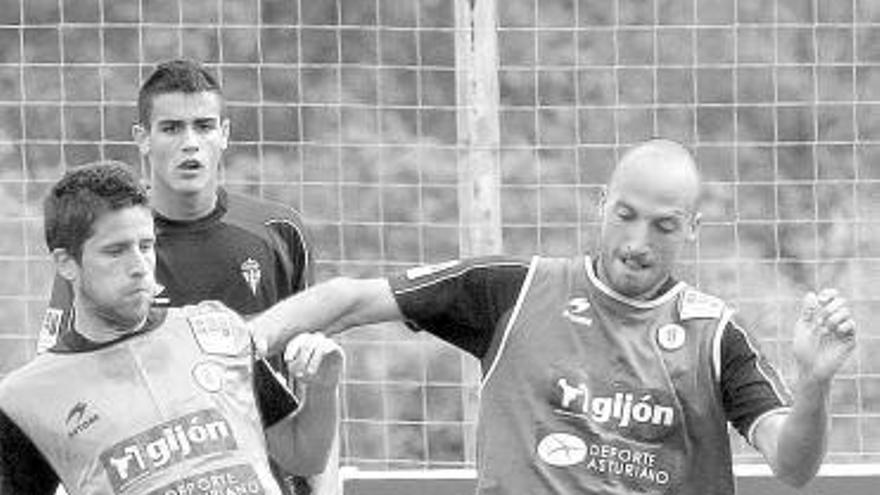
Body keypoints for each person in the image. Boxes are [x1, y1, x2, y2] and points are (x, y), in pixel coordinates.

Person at [250, 138, 857, 494]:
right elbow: (351, 299)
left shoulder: (714, 332)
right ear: (602, 205)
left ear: (693, 229)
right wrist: (244, 339)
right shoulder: (514, 291)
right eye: (625, 214)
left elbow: (793, 465)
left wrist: (815, 384)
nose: (637, 240)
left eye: (663, 225)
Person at [38, 59, 337, 494]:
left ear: (225, 135)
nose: (190, 143)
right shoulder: (104, 244)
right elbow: (57, 388)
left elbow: (318, 373)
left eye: (204, 126)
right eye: (172, 128)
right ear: (142, 139)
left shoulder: (278, 233)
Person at [0, 162, 342, 494]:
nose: (138, 266)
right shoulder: (24, 399)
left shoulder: (215, 332)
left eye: (146, 246)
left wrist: (323, 389)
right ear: (66, 263)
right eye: (116, 251)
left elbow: (303, 455)